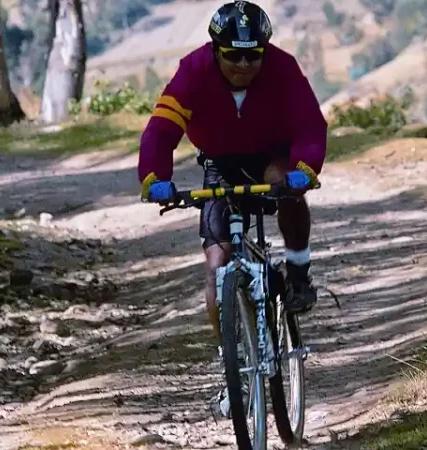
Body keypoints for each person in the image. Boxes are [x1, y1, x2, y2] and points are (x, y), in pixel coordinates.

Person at [137, 0, 327, 416]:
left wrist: (305, 169)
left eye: (253, 54)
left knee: (285, 185)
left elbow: (311, 124)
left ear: (264, 50)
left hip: (270, 156)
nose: (244, 64)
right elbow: (161, 129)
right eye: (233, 54)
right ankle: (234, 368)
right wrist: (154, 177)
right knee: (217, 265)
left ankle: (297, 271)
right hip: (220, 163)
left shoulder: (283, 69)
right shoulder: (193, 72)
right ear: (215, 49)